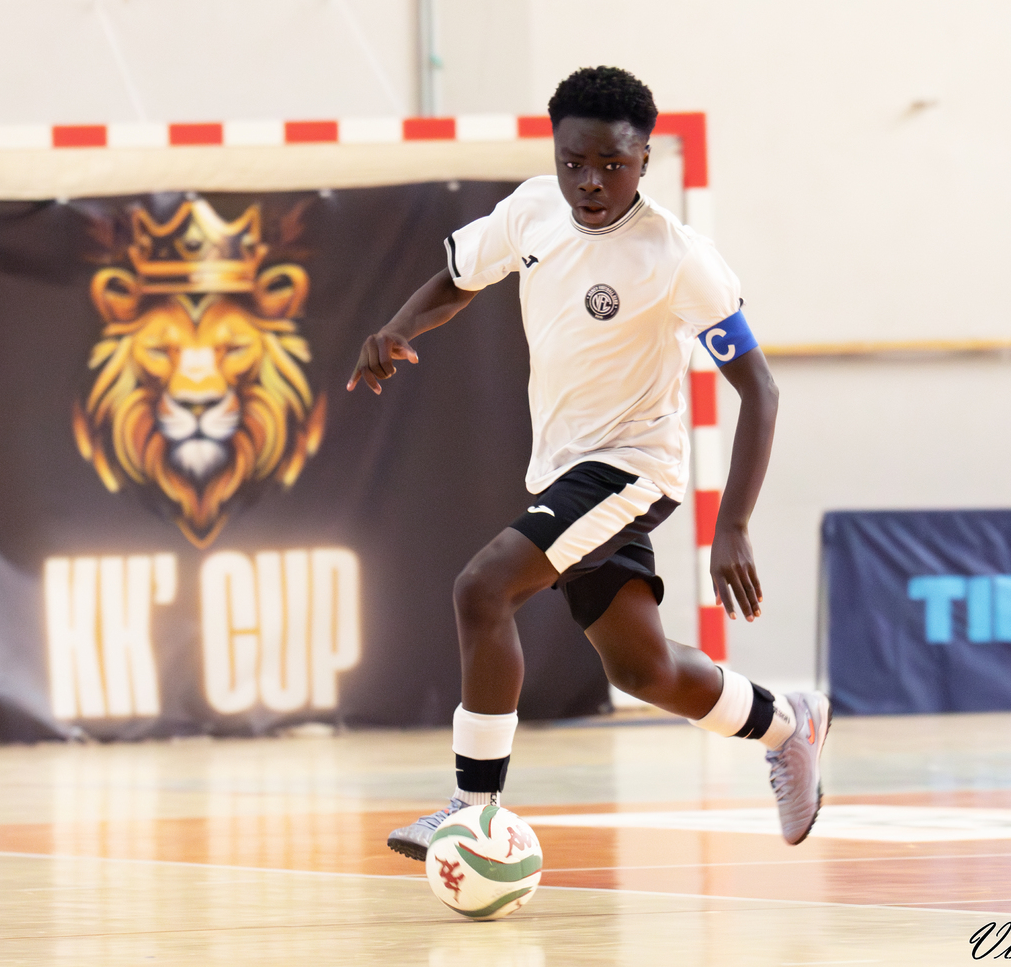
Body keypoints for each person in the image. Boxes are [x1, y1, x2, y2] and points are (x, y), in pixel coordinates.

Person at [346, 66, 829, 858]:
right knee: (642, 669)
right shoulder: (533, 210)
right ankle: (788, 723)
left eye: (612, 163)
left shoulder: (679, 257)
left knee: (482, 588)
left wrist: (733, 523)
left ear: (644, 160)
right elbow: (457, 279)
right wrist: (400, 327)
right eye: (574, 162)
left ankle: (473, 810)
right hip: (564, 471)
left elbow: (760, 390)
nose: (591, 181)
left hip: (632, 467)